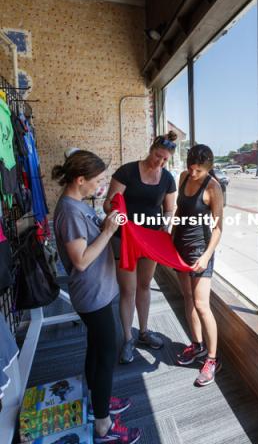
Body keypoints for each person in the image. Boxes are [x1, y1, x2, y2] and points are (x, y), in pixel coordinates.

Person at [52, 150, 140, 444]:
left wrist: (106, 223)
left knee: (96, 350)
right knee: (105, 358)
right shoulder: (70, 211)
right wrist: (109, 230)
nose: (102, 186)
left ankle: (96, 401)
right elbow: (80, 260)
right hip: (92, 296)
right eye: (98, 181)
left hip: (98, 292)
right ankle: (103, 425)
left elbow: (91, 237)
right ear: (80, 180)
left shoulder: (76, 205)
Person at [104, 131, 177, 364]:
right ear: (151, 149)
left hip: (151, 239)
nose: (160, 162)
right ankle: (128, 338)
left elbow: (169, 210)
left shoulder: (167, 178)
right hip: (124, 238)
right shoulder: (127, 171)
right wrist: (114, 208)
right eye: (158, 156)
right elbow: (108, 204)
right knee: (128, 289)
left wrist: (166, 229)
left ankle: (143, 332)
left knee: (144, 286)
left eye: (165, 159)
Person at [173, 144, 224, 386]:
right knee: (187, 298)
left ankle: (212, 359)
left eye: (199, 171)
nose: (193, 174)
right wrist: (169, 240)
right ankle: (197, 346)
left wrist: (205, 256)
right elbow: (178, 211)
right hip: (180, 246)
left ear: (209, 169)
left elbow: (218, 228)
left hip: (200, 249)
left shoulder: (213, 188)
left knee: (202, 304)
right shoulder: (183, 177)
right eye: (191, 169)